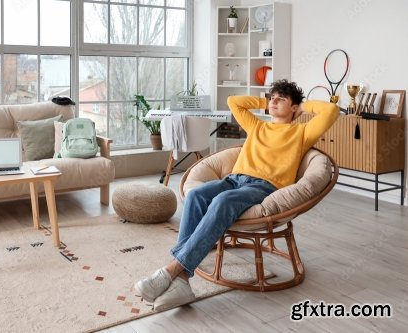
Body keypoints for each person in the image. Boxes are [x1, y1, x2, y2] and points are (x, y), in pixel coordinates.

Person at [134, 79, 339, 311]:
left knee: (222, 201)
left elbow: (331, 111)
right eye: (272, 98)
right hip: (234, 179)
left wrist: (303, 106)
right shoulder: (258, 126)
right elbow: (234, 102)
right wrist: (265, 101)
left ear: (294, 107)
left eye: (281, 99)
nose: (274, 102)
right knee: (196, 196)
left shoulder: (301, 132)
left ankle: (171, 270)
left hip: (264, 187)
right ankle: (182, 280)